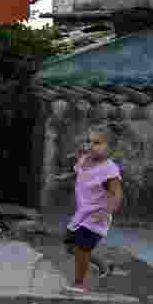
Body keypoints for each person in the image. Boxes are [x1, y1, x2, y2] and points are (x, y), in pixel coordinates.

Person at [62, 125, 123, 294]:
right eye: (89, 141)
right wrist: (65, 177)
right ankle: (103, 264)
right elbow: (79, 172)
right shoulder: (84, 160)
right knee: (70, 246)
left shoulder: (109, 169)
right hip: (82, 214)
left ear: (110, 148)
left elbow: (117, 195)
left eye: (97, 143)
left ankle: (79, 284)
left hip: (96, 217)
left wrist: (105, 213)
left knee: (82, 248)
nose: (91, 145)